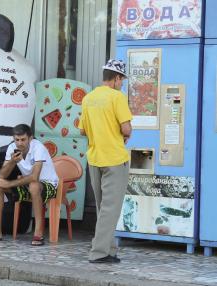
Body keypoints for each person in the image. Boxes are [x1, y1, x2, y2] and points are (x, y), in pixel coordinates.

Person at [78, 59, 133, 263]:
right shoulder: (117, 97)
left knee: (103, 208)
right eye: (122, 80)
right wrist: (125, 133)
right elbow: (126, 128)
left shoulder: (88, 98)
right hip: (114, 159)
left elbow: (82, 129)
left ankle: (110, 249)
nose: (122, 84)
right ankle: (99, 252)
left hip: (94, 158)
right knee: (111, 209)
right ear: (117, 78)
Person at [0, 124, 58, 246]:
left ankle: (38, 232)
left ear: (30, 138)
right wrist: (12, 162)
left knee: (34, 186)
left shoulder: (38, 148)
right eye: (17, 140)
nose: (20, 143)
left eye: (23, 140)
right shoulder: (12, 148)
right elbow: (2, 174)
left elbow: (34, 177)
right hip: (28, 183)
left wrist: (9, 183)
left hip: (49, 185)